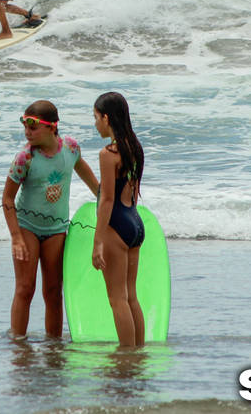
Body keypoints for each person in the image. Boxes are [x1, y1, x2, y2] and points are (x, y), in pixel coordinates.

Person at [2, 100, 99, 337]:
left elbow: (84, 172)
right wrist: (16, 238)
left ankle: (53, 345)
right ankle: (18, 342)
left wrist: (104, 198)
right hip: (27, 227)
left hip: (56, 229)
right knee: (25, 288)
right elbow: (7, 199)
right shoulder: (24, 159)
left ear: (52, 127)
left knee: (53, 291)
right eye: (25, 126)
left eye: (33, 127)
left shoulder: (71, 149)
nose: (27, 132)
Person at [91, 91, 146, 347]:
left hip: (116, 226)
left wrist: (98, 242)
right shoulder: (134, 147)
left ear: (105, 117)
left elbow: (107, 200)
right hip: (134, 223)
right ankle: (138, 353)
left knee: (117, 299)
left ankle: (126, 356)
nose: (95, 124)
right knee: (131, 296)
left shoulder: (108, 153)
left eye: (95, 117)